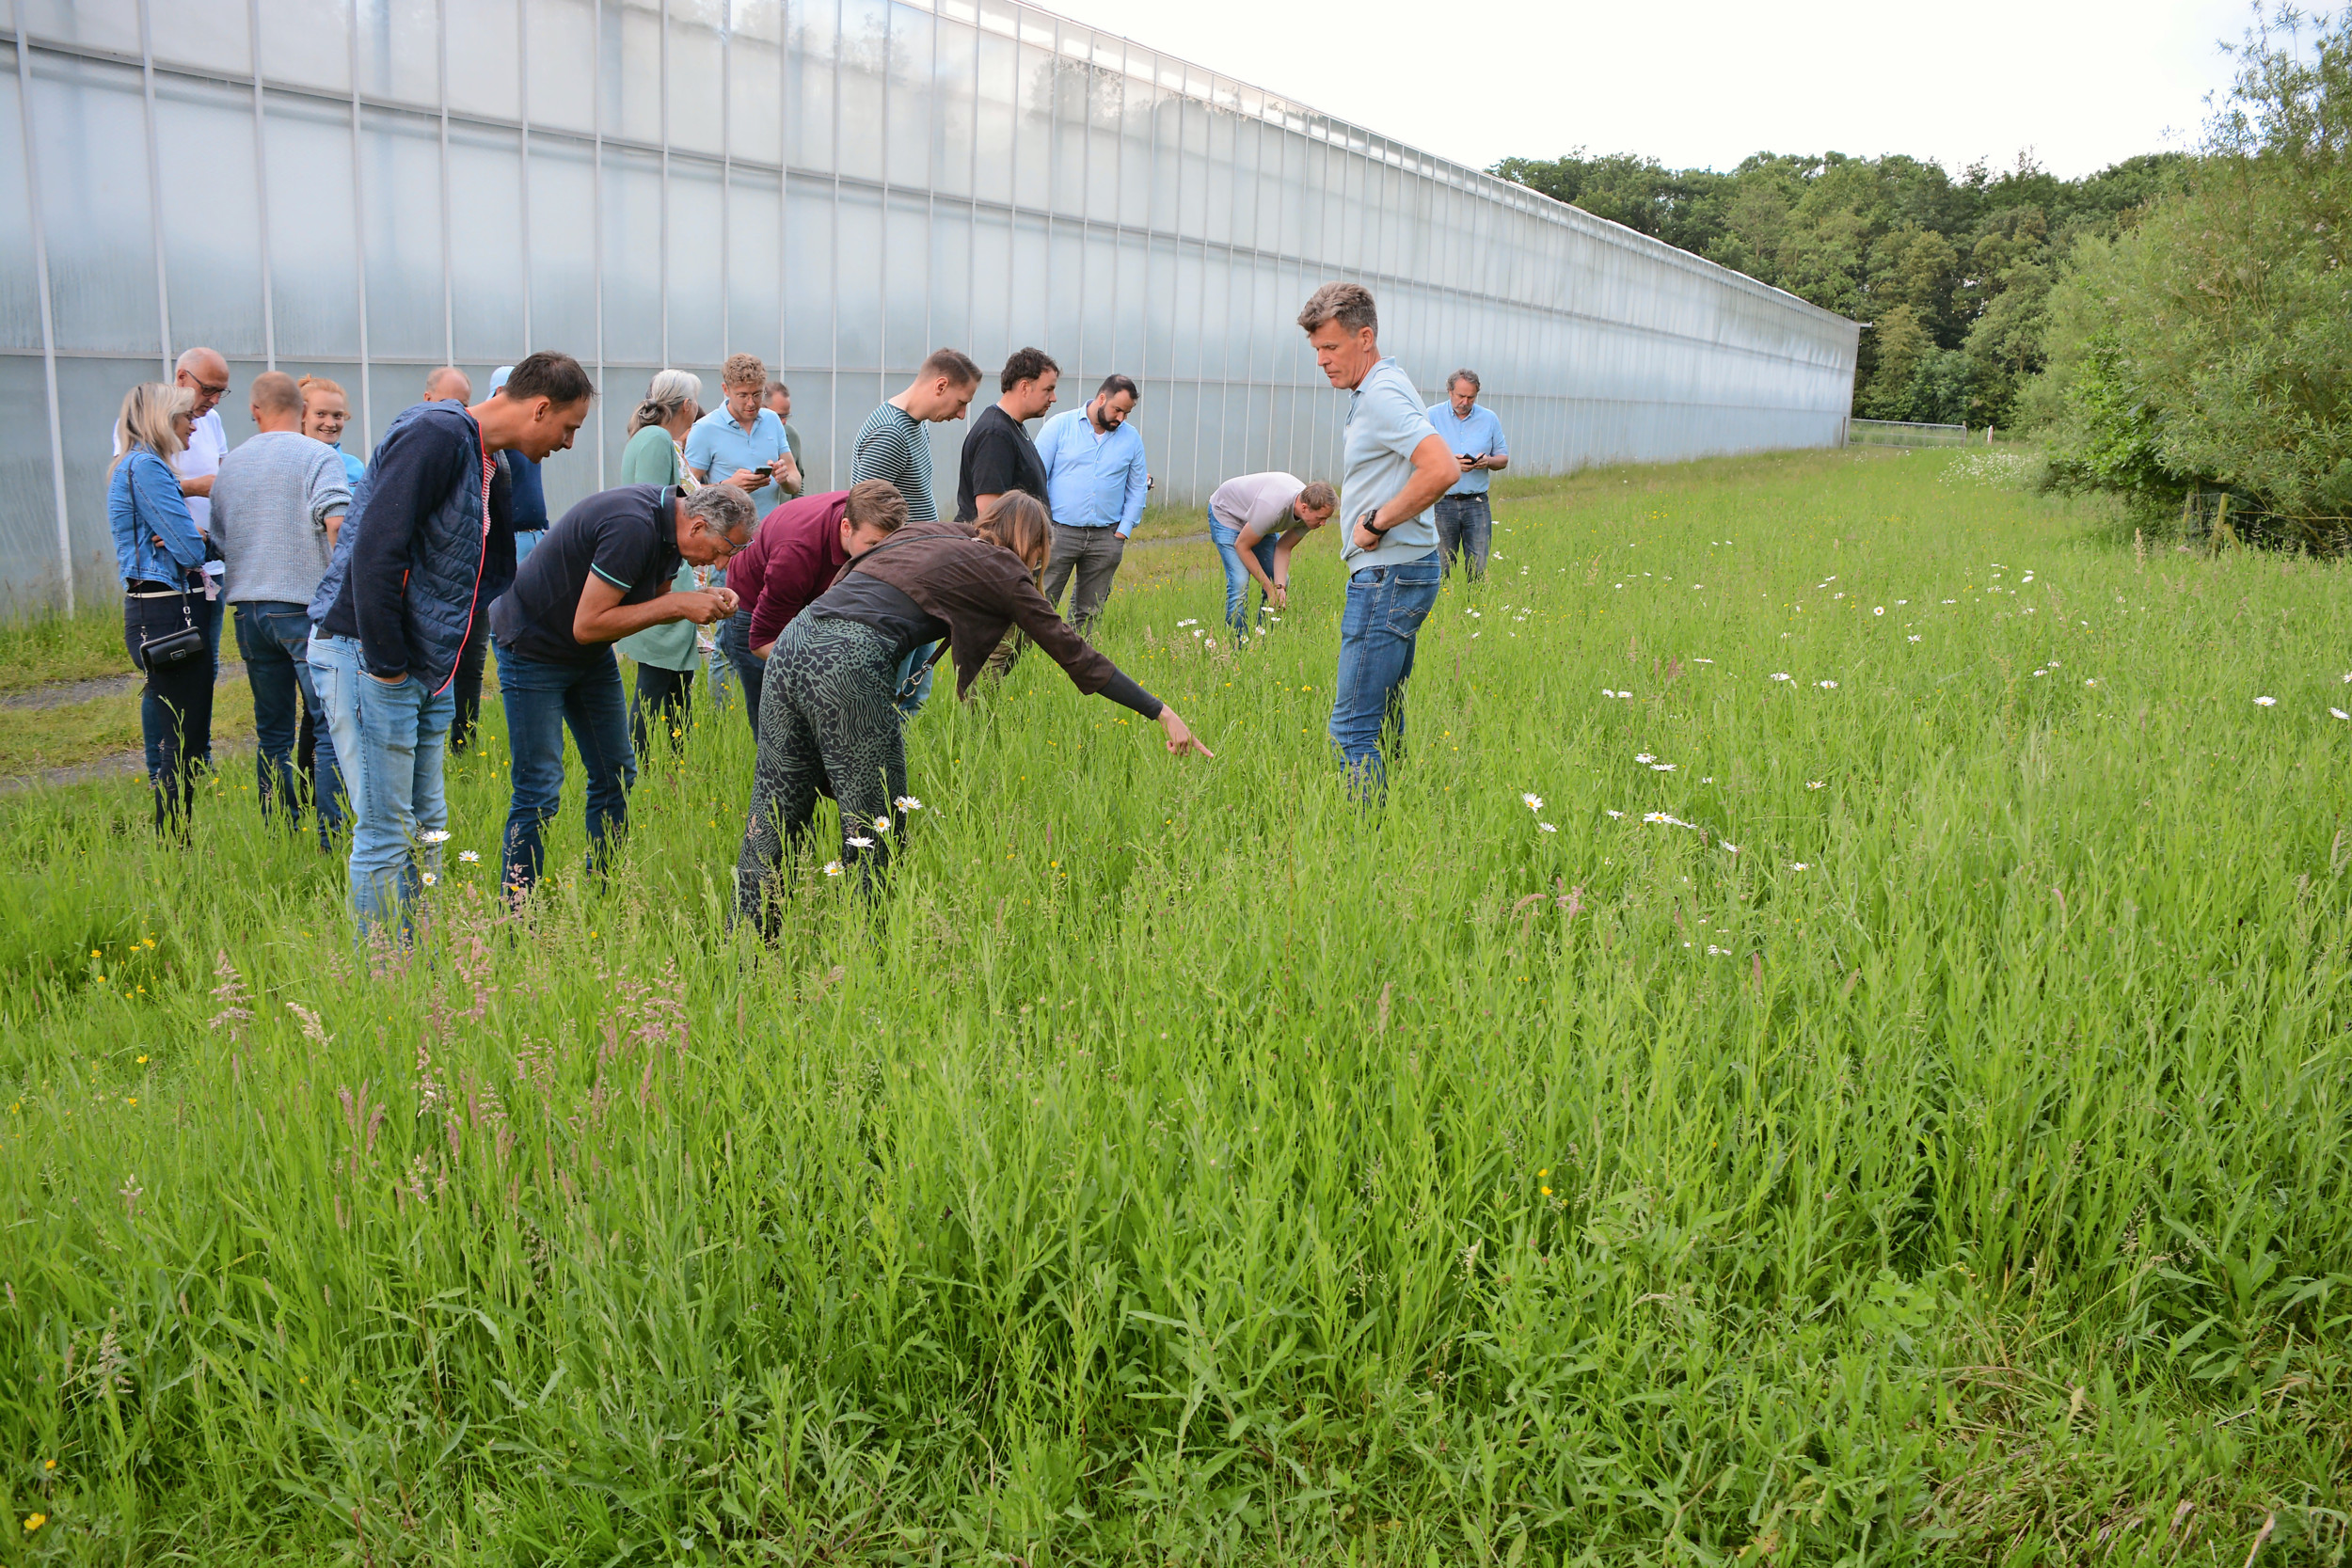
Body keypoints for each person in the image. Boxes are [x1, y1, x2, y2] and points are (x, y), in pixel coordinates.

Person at [734, 491, 1209, 925]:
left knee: (774, 809)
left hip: (793, 642)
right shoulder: (1005, 568)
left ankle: (748, 947)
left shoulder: (928, 531)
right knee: (876, 823)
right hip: (850, 661)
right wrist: (1160, 710)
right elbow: (1076, 655)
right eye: (1039, 557)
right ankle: (868, 951)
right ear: (1033, 546)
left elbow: (848, 576)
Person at [308, 350, 595, 945]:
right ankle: (388, 973)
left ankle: (423, 953)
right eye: (568, 427)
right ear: (540, 408)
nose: (568, 443)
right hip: (370, 654)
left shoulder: (494, 464)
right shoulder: (436, 433)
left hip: (425, 665)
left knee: (429, 825)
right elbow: (375, 550)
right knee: (388, 831)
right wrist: (388, 667)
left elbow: (486, 574)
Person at [489, 483, 751, 901]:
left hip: (585, 654)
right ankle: (516, 911)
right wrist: (680, 606)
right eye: (724, 550)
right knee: (538, 788)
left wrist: (698, 597)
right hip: (533, 646)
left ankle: (604, 893)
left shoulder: (672, 529)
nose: (721, 562)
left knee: (616, 773)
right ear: (698, 525)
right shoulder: (633, 526)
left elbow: (649, 598)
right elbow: (589, 624)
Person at [1298, 282, 1458, 797]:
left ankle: (1362, 838)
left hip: (1388, 574)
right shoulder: (1381, 386)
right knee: (1386, 712)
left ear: (1364, 338)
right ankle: (1392, 824)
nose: (1322, 360)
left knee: (1351, 727)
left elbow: (1441, 468)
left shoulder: (1382, 394)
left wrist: (1377, 521)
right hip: (1405, 570)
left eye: (1331, 348)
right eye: (1317, 350)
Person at [209, 371, 350, 845]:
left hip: (248, 609)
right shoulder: (318, 457)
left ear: (254, 411)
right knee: (329, 725)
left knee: (271, 730)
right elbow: (338, 524)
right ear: (304, 412)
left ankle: (280, 834)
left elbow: (222, 540)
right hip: (304, 608)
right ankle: (334, 837)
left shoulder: (231, 465)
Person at [120, 347, 232, 779]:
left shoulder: (211, 422)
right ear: (183, 379)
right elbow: (146, 489)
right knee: (169, 673)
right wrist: (190, 491)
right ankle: (165, 771)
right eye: (209, 391)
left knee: (202, 670)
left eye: (222, 392)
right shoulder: (146, 444)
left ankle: (193, 761)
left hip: (205, 572)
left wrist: (206, 541)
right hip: (170, 577)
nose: (211, 406)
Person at [109, 383, 211, 834]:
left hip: (156, 609)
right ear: (164, 419)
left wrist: (184, 538)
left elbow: (178, 541)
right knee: (181, 733)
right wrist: (200, 539)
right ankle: (174, 838)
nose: (195, 423)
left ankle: (174, 834)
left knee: (179, 726)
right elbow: (189, 549)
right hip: (164, 611)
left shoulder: (136, 466)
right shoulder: (147, 468)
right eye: (187, 416)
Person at [614, 370, 709, 755]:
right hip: (661, 578)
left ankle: (674, 765)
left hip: (667, 574)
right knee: (654, 686)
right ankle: (634, 766)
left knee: (676, 686)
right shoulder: (656, 440)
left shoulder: (655, 438)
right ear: (687, 406)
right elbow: (653, 512)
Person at [1036, 373, 1148, 637]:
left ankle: (1079, 666)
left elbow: (1137, 487)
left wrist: (1123, 531)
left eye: (1127, 413)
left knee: (1090, 612)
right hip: (1058, 533)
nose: (1120, 418)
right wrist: (1042, 525)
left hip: (1105, 537)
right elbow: (1036, 476)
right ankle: (1027, 661)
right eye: (1117, 409)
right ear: (1101, 398)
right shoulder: (1059, 426)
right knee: (1040, 602)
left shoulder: (1131, 439)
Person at [850, 348, 982, 523]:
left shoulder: (915, 425)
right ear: (941, 386)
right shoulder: (890, 433)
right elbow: (865, 519)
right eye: (961, 403)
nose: (962, 414)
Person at [1205, 472, 1339, 641]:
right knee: (1239, 581)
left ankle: (1263, 640)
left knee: (1281, 580)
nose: (1323, 524)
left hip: (1257, 519)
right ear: (1304, 508)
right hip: (1227, 513)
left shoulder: (1308, 517)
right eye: (1321, 518)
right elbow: (1242, 546)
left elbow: (1283, 547)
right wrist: (1269, 588)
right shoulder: (1272, 509)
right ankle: (1235, 645)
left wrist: (1279, 587)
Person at [687, 353, 797, 515]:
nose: (751, 403)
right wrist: (728, 488)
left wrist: (785, 479)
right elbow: (686, 491)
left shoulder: (772, 420)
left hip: (769, 532)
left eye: (757, 394)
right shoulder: (705, 429)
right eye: (743, 395)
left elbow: (795, 480)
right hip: (726, 536)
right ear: (726, 389)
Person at [954, 347, 1056, 523]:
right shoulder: (995, 434)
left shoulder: (1012, 428)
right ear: (1024, 387)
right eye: (1048, 389)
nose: (1053, 398)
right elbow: (989, 512)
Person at [1426, 369, 1510, 580]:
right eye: (1460, 396)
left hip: (1477, 503)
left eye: (1470, 397)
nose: (1465, 401)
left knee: (1478, 563)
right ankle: (1446, 604)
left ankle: (1476, 605)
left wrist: (1487, 461)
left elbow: (1503, 458)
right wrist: (1450, 463)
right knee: (1443, 564)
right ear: (1449, 391)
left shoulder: (1489, 419)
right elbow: (1418, 457)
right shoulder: (1431, 416)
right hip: (1442, 502)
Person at [491, 364, 553, 562]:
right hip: (512, 536)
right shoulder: (494, 437)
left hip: (537, 533)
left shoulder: (529, 433)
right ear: (500, 393)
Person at [299, 375, 368, 492]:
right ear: (301, 414)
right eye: (321, 414)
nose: (331, 424)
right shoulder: (290, 466)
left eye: (337, 415)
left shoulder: (355, 467)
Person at [763, 381, 806, 496]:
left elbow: (799, 478)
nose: (783, 421)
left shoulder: (791, 435)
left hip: (785, 511)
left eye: (786, 416)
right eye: (779, 416)